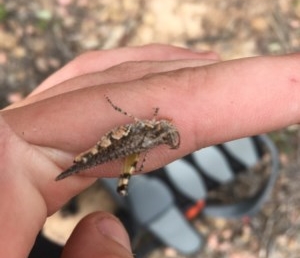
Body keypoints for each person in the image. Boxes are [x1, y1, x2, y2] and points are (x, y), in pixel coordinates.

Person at [0, 44, 299, 258]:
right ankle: (122, 195)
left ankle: (125, 200)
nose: (168, 133)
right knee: (107, 152)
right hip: (117, 143)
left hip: (129, 146)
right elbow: (126, 122)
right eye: (168, 134)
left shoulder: (152, 129)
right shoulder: (147, 125)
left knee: (125, 169)